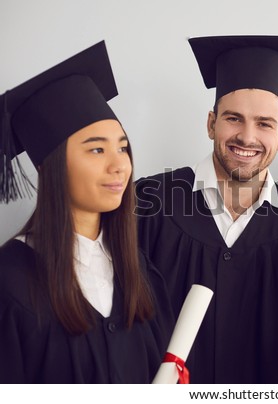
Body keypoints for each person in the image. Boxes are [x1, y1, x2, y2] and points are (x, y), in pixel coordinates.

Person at [135, 35, 278, 383]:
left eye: (264, 123)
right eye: (234, 119)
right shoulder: (150, 203)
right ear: (211, 123)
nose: (247, 137)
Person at [0, 41, 172, 383]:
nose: (119, 166)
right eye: (96, 149)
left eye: (123, 148)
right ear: (50, 166)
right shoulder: (9, 280)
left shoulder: (136, 268)